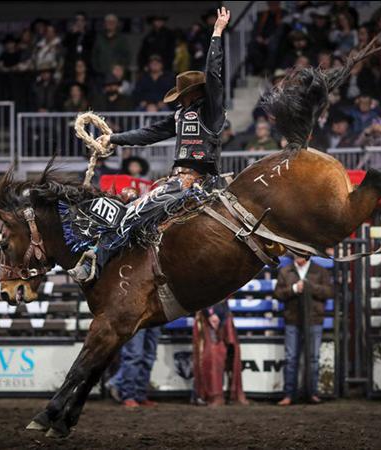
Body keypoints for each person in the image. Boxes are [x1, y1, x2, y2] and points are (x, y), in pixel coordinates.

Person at [69, 7, 232, 283]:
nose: (179, 101)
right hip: (177, 179)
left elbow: (213, 75)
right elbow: (149, 133)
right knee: (139, 209)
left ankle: (96, 258)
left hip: (196, 180)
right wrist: (114, 138)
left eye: (182, 95)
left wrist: (216, 33)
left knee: (136, 210)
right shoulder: (180, 115)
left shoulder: (211, 110)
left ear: (191, 94)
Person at [273, 255, 333, 406]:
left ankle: (312, 392)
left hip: (314, 319)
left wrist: (309, 287)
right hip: (293, 319)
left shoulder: (320, 271)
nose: (298, 255)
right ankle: (289, 394)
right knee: (291, 357)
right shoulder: (285, 271)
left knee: (313, 358)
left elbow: (329, 292)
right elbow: (278, 294)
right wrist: (294, 288)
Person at [192, 300, 248, 406]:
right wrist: (210, 312)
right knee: (210, 356)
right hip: (208, 314)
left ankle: (229, 394)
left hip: (223, 311)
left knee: (232, 354)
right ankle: (209, 394)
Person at [106, 327, 161, 408]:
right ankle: (128, 396)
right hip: (137, 318)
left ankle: (140, 395)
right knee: (134, 355)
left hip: (155, 318)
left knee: (149, 357)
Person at [91, 13, 131, 78]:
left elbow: (127, 56)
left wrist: (121, 68)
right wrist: (97, 69)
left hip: (116, 75)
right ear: (104, 24)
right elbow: (94, 55)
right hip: (101, 74)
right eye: (108, 21)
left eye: (113, 22)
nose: (110, 23)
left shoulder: (122, 39)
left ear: (117, 24)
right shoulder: (99, 38)